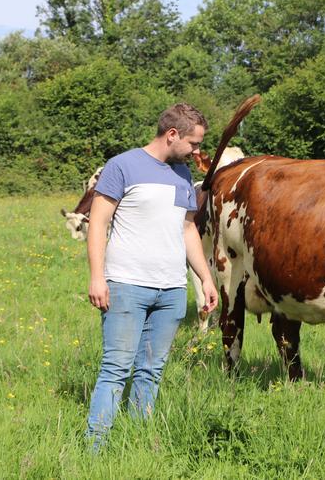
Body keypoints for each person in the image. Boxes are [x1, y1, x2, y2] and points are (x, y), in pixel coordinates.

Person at [84, 103, 219, 450]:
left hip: (171, 290)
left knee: (151, 371)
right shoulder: (122, 166)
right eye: (194, 144)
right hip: (126, 285)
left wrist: (205, 278)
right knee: (115, 369)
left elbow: (187, 228)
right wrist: (97, 277)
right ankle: (94, 448)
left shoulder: (183, 175)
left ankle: (137, 442)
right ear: (172, 135)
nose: (197, 152)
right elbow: (98, 223)